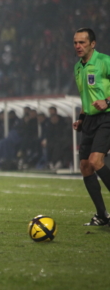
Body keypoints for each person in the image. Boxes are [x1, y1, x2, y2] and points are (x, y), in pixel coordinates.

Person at [72, 27, 110, 226]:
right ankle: (102, 215)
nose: (78, 46)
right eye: (76, 42)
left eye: (82, 42)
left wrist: (107, 101)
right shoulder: (78, 68)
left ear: (92, 44)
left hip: (107, 117)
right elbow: (85, 98)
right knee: (86, 167)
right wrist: (81, 118)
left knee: (96, 161)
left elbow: (102, 100)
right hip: (89, 121)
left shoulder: (104, 61)